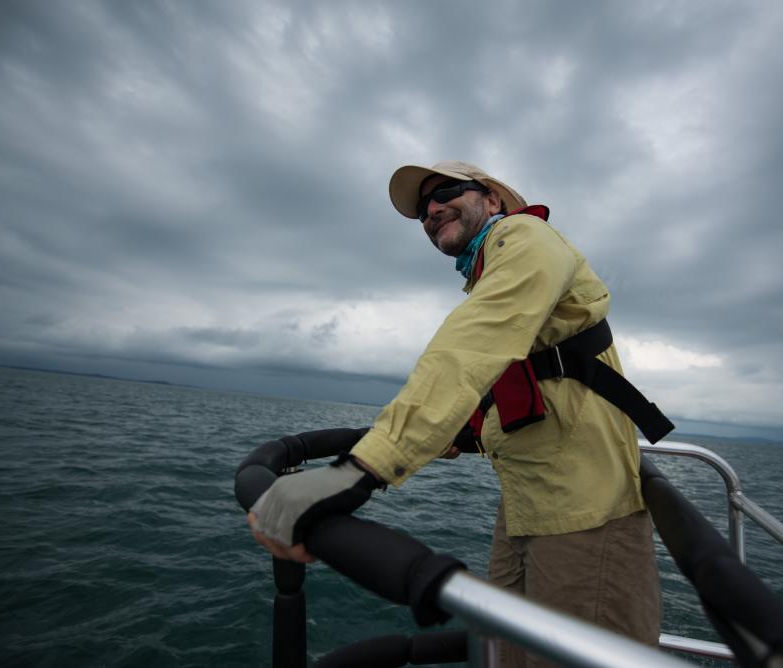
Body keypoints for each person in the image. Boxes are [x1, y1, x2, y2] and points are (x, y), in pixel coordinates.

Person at [248, 160, 663, 666]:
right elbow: (519, 377)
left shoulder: (526, 236)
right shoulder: (491, 269)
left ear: (491, 201)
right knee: (507, 653)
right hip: (527, 502)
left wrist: (359, 469)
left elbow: (474, 344)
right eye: (423, 210)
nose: (432, 210)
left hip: (584, 507)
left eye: (445, 192)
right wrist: (464, 434)